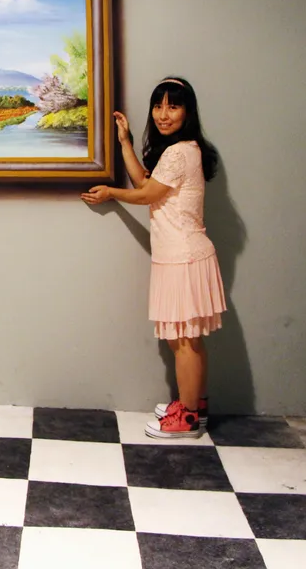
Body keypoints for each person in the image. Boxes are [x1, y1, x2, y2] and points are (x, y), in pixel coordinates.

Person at [81, 77, 225, 438]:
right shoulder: (183, 150)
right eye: (158, 106)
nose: (163, 114)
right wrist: (125, 142)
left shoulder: (179, 153)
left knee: (184, 341)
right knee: (188, 339)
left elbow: (145, 195)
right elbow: (146, 183)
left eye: (173, 106)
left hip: (182, 258)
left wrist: (110, 192)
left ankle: (187, 418)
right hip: (182, 255)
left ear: (188, 112)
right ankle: (194, 406)